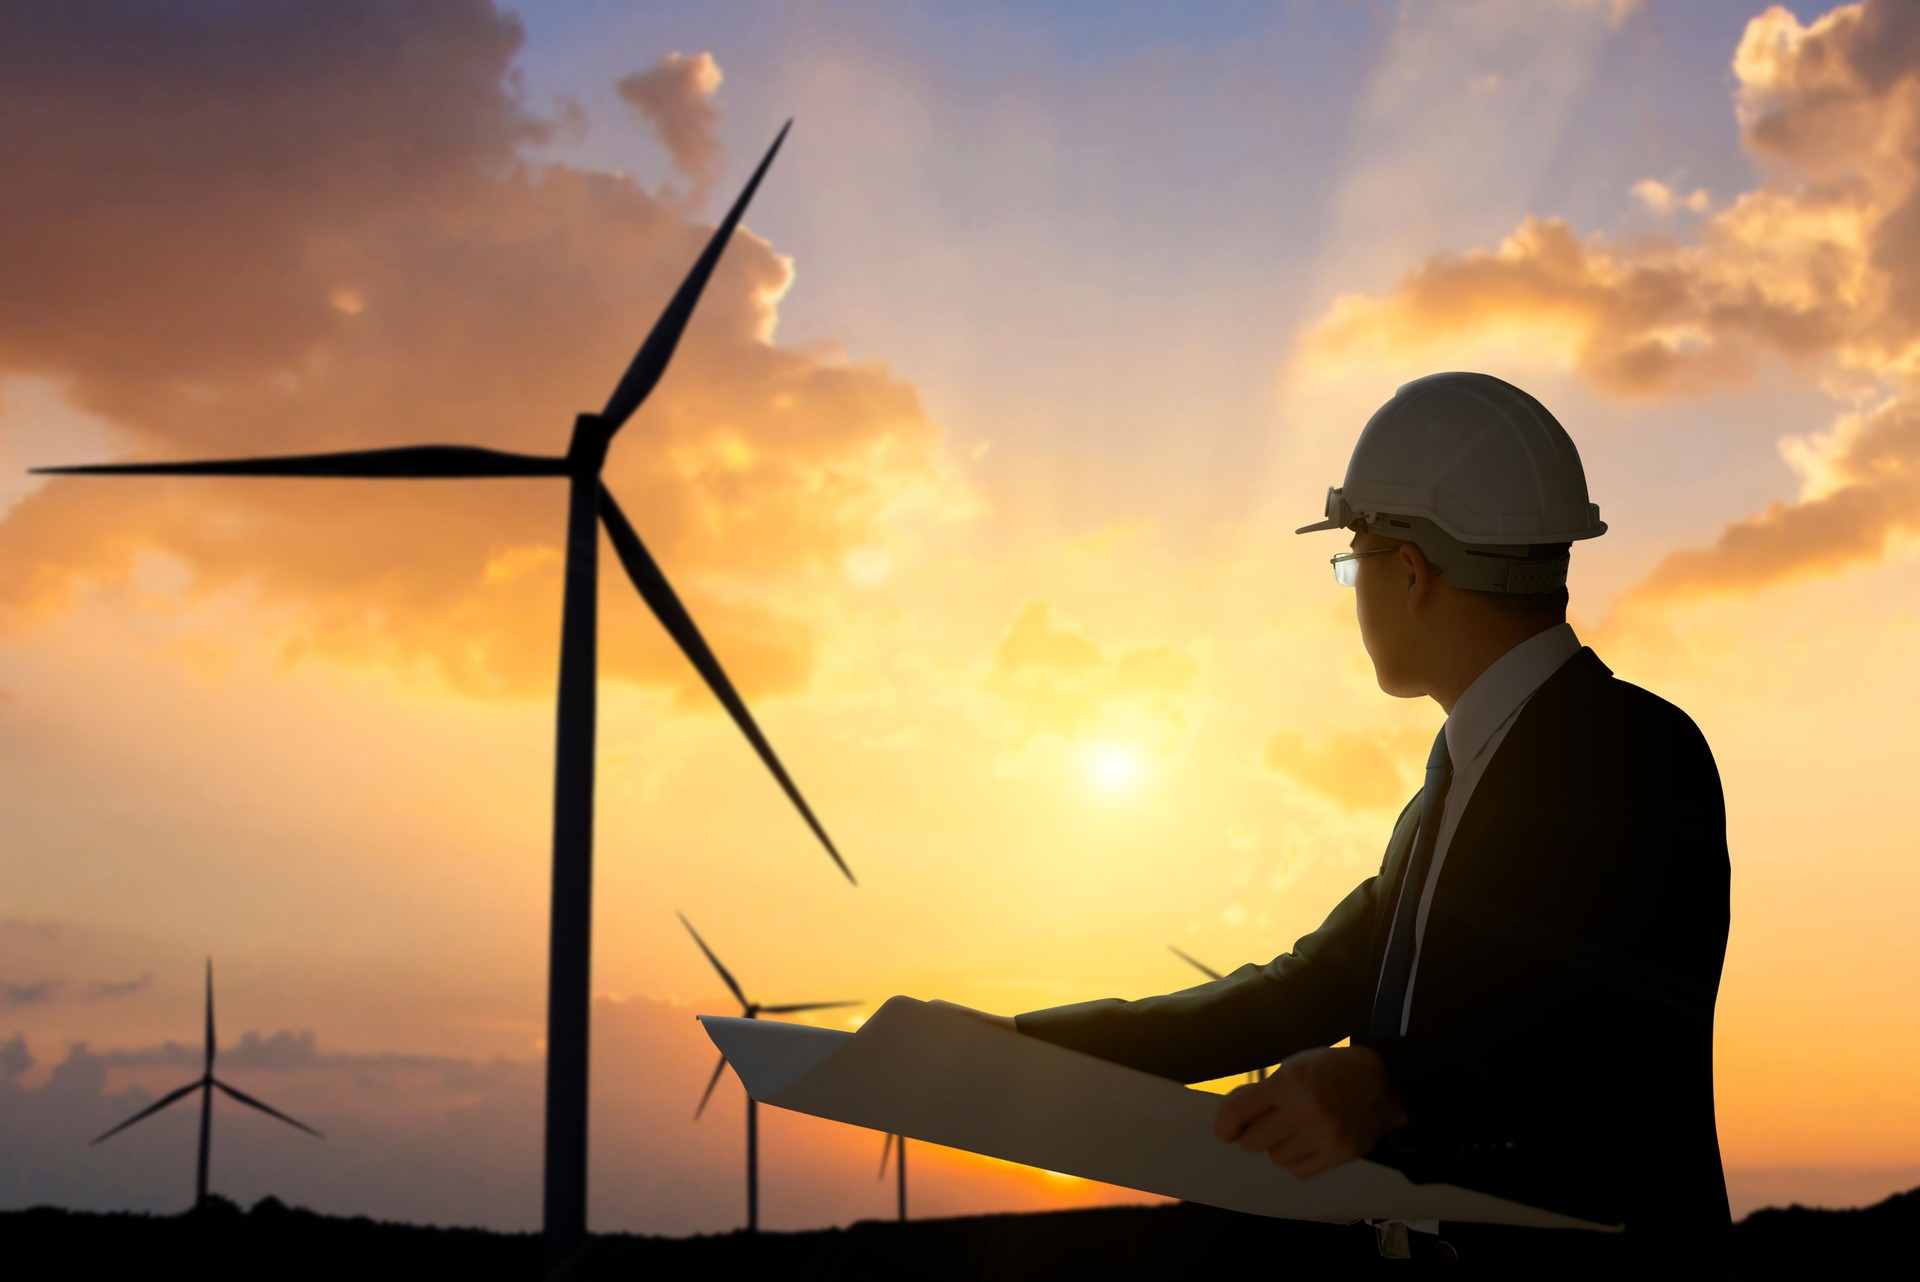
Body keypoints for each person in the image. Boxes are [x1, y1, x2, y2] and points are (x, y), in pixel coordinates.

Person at [936, 372, 1732, 1270]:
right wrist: (1020, 1047)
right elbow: (1299, 991)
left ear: (1409, 574)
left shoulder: (1639, 752)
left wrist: (1393, 1086)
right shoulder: (1450, 794)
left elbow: (1608, 1019)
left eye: (1352, 564)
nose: (1353, 594)